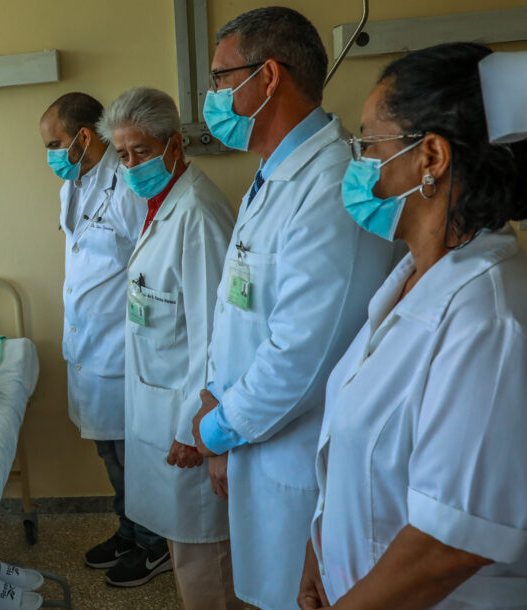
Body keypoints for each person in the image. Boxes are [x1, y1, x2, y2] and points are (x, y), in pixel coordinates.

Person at [299, 43, 527, 609]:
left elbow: (448, 545)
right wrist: (320, 550)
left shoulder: (496, 325)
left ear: (431, 158)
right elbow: (359, 450)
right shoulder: (412, 281)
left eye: (368, 146)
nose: (358, 166)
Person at [190, 8, 395, 609]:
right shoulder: (274, 175)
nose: (212, 96)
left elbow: (303, 353)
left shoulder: (328, 184)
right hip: (257, 439)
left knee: (295, 597)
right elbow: (239, 313)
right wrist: (217, 409)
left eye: (221, 78)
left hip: (299, 460)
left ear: (269, 77)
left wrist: (218, 430)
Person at [97, 87, 235, 605]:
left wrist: (191, 428)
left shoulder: (197, 213)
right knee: (186, 554)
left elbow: (215, 334)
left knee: (204, 560)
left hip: (186, 418)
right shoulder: (160, 206)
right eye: (123, 155)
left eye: (142, 151)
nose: (132, 165)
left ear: (175, 146)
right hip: (160, 401)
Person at [39, 92, 158, 580]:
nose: (50, 154)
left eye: (54, 143)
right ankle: (129, 530)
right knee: (109, 452)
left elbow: (152, 263)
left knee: (134, 457)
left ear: (83, 137)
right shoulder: (74, 185)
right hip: (87, 345)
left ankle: (154, 544)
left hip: (120, 347)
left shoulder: (128, 184)